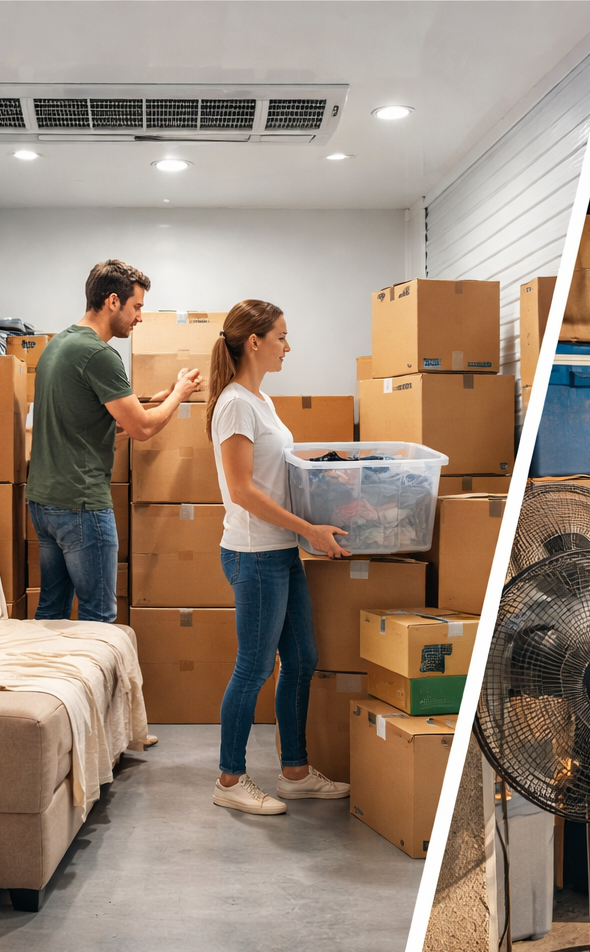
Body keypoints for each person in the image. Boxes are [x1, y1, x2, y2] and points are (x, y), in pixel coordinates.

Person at [205, 300, 352, 815]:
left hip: (281, 551)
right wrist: (310, 528)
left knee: (303, 658)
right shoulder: (235, 405)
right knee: (253, 668)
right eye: (282, 337)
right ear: (255, 342)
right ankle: (229, 779)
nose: (288, 346)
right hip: (255, 554)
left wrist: (335, 470)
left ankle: (293, 771)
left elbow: (277, 467)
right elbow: (244, 490)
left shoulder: (259, 401)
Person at [28, 259, 200, 623]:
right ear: (112, 302)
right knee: (98, 615)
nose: (139, 317)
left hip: (44, 502)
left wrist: (163, 395)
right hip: (81, 504)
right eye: (137, 306)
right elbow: (141, 429)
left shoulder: (57, 346)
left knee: (51, 612)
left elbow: (97, 420)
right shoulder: (99, 354)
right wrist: (180, 395)